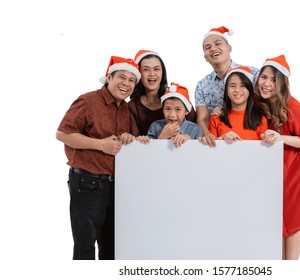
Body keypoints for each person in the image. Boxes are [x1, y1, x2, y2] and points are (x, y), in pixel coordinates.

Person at [56, 55, 140, 260]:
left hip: (116, 186)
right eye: (122, 77)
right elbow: (63, 134)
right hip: (87, 183)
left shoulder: (126, 109)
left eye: (131, 80)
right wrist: (100, 144)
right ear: (109, 77)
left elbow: (130, 143)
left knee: (111, 247)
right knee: (85, 247)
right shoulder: (88, 100)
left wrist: (129, 138)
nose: (126, 84)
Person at [255, 54, 300, 260]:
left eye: (273, 80)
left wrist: (281, 137)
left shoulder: (292, 106)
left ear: (282, 83)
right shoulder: (258, 101)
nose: (266, 84)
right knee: (278, 219)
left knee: (291, 219)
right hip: (278, 168)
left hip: (297, 167)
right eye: (264, 77)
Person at [195, 26, 259, 147]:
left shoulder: (253, 74)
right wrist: (209, 136)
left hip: (252, 136)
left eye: (218, 43)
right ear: (205, 57)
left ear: (229, 48)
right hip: (219, 141)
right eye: (208, 48)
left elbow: (275, 96)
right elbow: (202, 119)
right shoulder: (202, 85)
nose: (213, 49)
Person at [129, 50, 196, 136]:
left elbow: (195, 129)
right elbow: (134, 144)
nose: (152, 74)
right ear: (138, 74)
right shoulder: (132, 107)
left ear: (162, 72)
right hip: (148, 149)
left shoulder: (177, 96)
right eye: (146, 69)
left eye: (156, 69)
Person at [199, 66, 268, 144]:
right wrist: (222, 139)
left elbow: (263, 152)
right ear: (226, 91)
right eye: (232, 86)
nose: (237, 90)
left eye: (243, 86)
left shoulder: (261, 120)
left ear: (250, 90)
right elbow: (211, 150)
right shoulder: (216, 119)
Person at [137, 82, 202, 148]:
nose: (172, 115)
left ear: (186, 111)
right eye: (168, 109)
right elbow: (150, 152)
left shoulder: (195, 129)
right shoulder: (156, 126)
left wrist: (189, 141)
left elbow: (199, 153)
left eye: (178, 109)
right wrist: (162, 137)